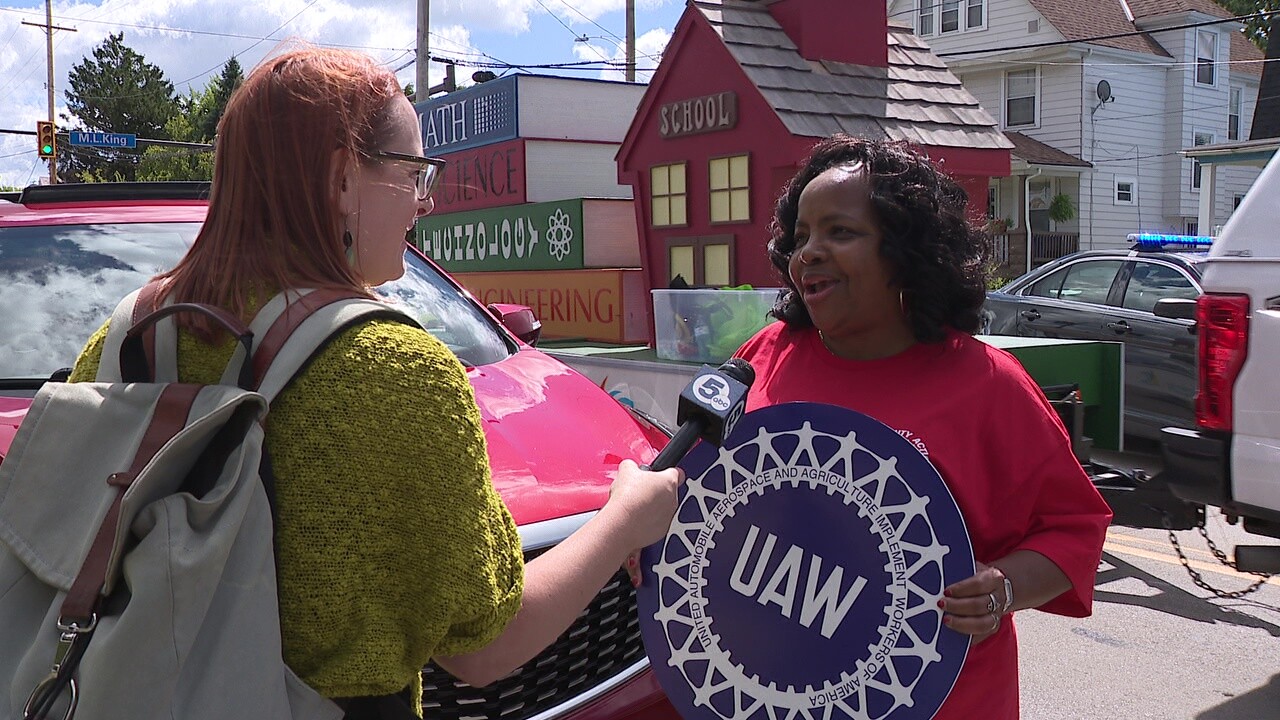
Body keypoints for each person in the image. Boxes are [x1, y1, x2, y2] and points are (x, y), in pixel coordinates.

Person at [66, 47, 681, 716]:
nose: (424, 201)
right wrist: (626, 520)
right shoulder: (400, 373)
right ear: (342, 180)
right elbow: (485, 649)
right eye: (414, 173)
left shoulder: (126, 337)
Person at [733, 135, 1112, 719]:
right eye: (801, 235)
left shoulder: (989, 384)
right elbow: (702, 485)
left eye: (839, 232)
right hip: (783, 693)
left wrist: (1002, 589)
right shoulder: (766, 352)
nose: (807, 252)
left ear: (905, 250)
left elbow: (1074, 528)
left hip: (944, 697)